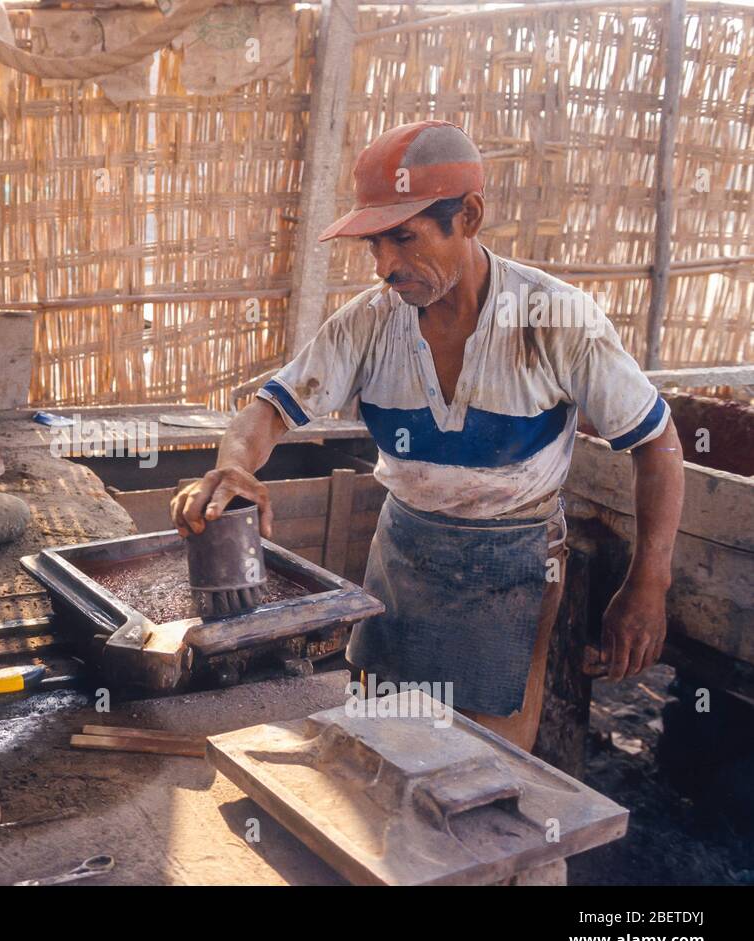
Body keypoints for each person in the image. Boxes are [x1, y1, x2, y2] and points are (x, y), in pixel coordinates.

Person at [170, 120, 684, 751]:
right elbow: (269, 411)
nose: (386, 266)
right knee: (375, 747)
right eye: (374, 247)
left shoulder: (557, 320)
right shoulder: (368, 323)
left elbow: (656, 444)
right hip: (404, 552)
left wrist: (648, 582)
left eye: (404, 239)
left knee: (485, 762)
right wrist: (235, 464)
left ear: (468, 217)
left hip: (515, 561)